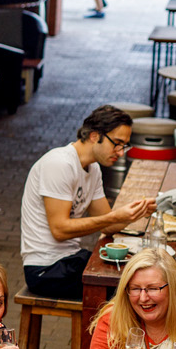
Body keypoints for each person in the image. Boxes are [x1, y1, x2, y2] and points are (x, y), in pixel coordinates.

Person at [20, 104, 156, 326]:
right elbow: (60, 230)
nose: (121, 153)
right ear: (95, 136)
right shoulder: (59, 163)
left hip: (69, 260)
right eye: (117, 143)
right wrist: (114, 217)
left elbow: (108, 226)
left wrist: (133, 213)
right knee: (132, 292)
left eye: (125, 146)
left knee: (139, 275)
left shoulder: (93, 170)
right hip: (44, 269)